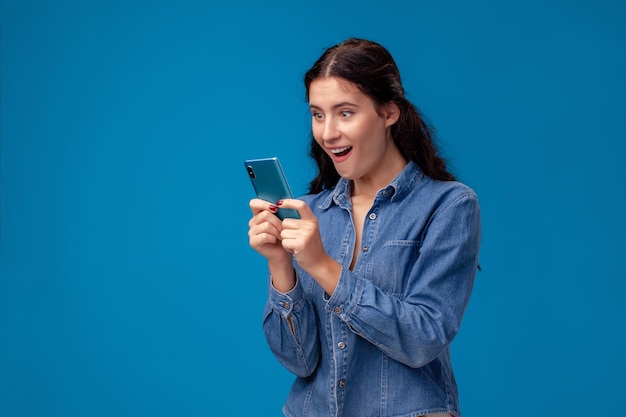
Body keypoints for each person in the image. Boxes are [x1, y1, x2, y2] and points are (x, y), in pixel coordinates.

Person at [247, 38, 481, 417]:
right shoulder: (310, 212)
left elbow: (423, 339)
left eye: (345, 112)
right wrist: (281, 266)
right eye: (318, 114)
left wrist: (322, 265)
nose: (327, 133)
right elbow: (300, 362)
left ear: (389, 112)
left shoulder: (448, 205)